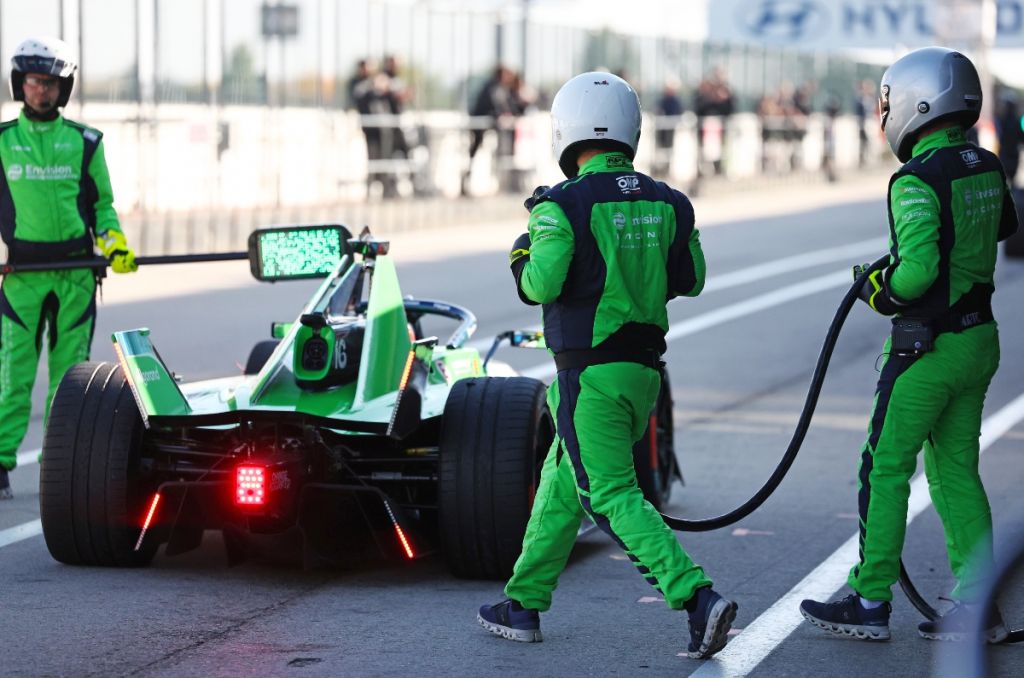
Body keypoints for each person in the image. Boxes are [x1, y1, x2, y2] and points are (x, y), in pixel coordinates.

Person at [477, 72, 738, 660]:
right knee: (563, 483)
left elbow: (538, 283)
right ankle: (523, 603)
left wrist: (521, 249)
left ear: (565, 132)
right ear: (631, 130)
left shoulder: (559, 205)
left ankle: (697, 599)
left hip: (588, 376)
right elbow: (691, 280)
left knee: (611, 494)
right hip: (644, 374)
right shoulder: (671, 202)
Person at [799, 47, 1018, 642]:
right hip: (980, 341)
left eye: (890, 101)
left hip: (928, 350)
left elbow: (916, 272)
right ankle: (979, 609)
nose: (886, 111)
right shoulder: (987, 164)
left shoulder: (916, 177)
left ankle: (870, 602)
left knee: (884, 468)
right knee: (955, 474)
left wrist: (878, 290)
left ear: (920, 101)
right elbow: (1003, 228)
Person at [0, 36, 137, 500]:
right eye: (35, 81)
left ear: (65, 88)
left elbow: (104, 208)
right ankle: (0, 462)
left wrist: (115, 246)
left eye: (52, 83)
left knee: (68, 379)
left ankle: (55, 467)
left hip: (76, 275)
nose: (42, 90)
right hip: (20, 278)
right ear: (21, 84)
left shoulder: (87, 142)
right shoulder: (0, 142)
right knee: (14, 375)